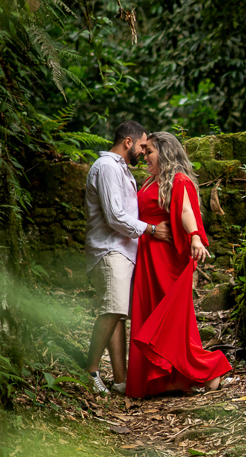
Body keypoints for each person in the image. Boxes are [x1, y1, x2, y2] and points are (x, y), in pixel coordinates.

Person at [126, 131, 232, 397]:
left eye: (149, 151)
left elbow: (186, 211)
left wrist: (195, 237)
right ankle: (171, 379)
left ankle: (211, 367)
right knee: (151, 314)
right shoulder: (152, 181)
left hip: (166, 259)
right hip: (148, 257)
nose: (144, 155)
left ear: (165, 152)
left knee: (172, 321)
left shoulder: (178, 180)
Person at [83, 121, 170, 393]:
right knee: (112, 309)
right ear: (128, 142)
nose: (145, 152)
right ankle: (91, 371)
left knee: (118, 314)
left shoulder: (120, 169)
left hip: (123, 251)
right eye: (143, 146)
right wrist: (153, 230)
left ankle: (120, 381)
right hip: (110, 249)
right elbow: (115, 216)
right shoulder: (108, 167)